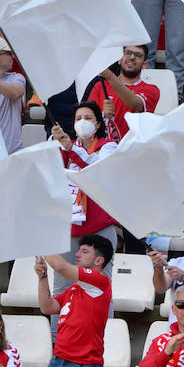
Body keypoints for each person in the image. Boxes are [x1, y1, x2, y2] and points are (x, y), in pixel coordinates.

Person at [37, 235, 114, 367]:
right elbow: (47, 307)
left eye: (85, 251)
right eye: (79, 250)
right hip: (58, 364)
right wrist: (43, 278)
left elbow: (61, 267)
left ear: (99, 261)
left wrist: (39, 242)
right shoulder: (74, 288)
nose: (77, 254)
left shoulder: (100, 281)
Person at [53, 103, 120, 262]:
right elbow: (53, 172)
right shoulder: (66, 146)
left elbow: (95, 171)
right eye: (78, 118)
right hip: (70, 228)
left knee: (98, 283)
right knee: (64, 284)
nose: (83, 122)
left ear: (97, 123)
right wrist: (56, 145)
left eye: (88, 118)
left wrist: (71, 149)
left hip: (99, 226)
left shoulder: (108, 146)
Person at [84, 45, 160, 141]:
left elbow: (134, 103)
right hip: (102, 149)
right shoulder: (100, 86)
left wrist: (109, 75)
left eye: (138, 55)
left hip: (133, 150)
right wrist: (103, 114)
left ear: (145, 64)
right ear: (119, 60)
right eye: (128, 53)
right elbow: (86, 120)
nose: (132, 57)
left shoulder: (151, 89)